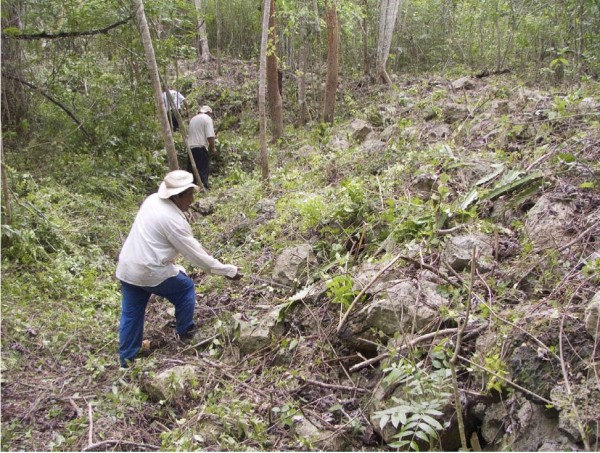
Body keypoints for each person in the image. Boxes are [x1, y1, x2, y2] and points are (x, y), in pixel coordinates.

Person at [116, 170, 242, 368]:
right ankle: (186, 332)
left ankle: (127, 359)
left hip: (127, 267)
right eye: (190, 195)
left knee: (132, 313)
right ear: (178, 195)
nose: (192, 200)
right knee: (184, 288)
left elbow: (173, 243)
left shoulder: (152, 201)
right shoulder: (172, 220)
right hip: (150, 270)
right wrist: (228, 271)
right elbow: (197, 257)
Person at [188, 105, 215, 190]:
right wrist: (213, 147)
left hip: (191, 148)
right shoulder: (207, 119)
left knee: (192, 170)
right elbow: (210, 135)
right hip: (200, 147)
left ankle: (192, 188)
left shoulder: (193, 119)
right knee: (203, 168)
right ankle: (204, 187)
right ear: (208, 113)